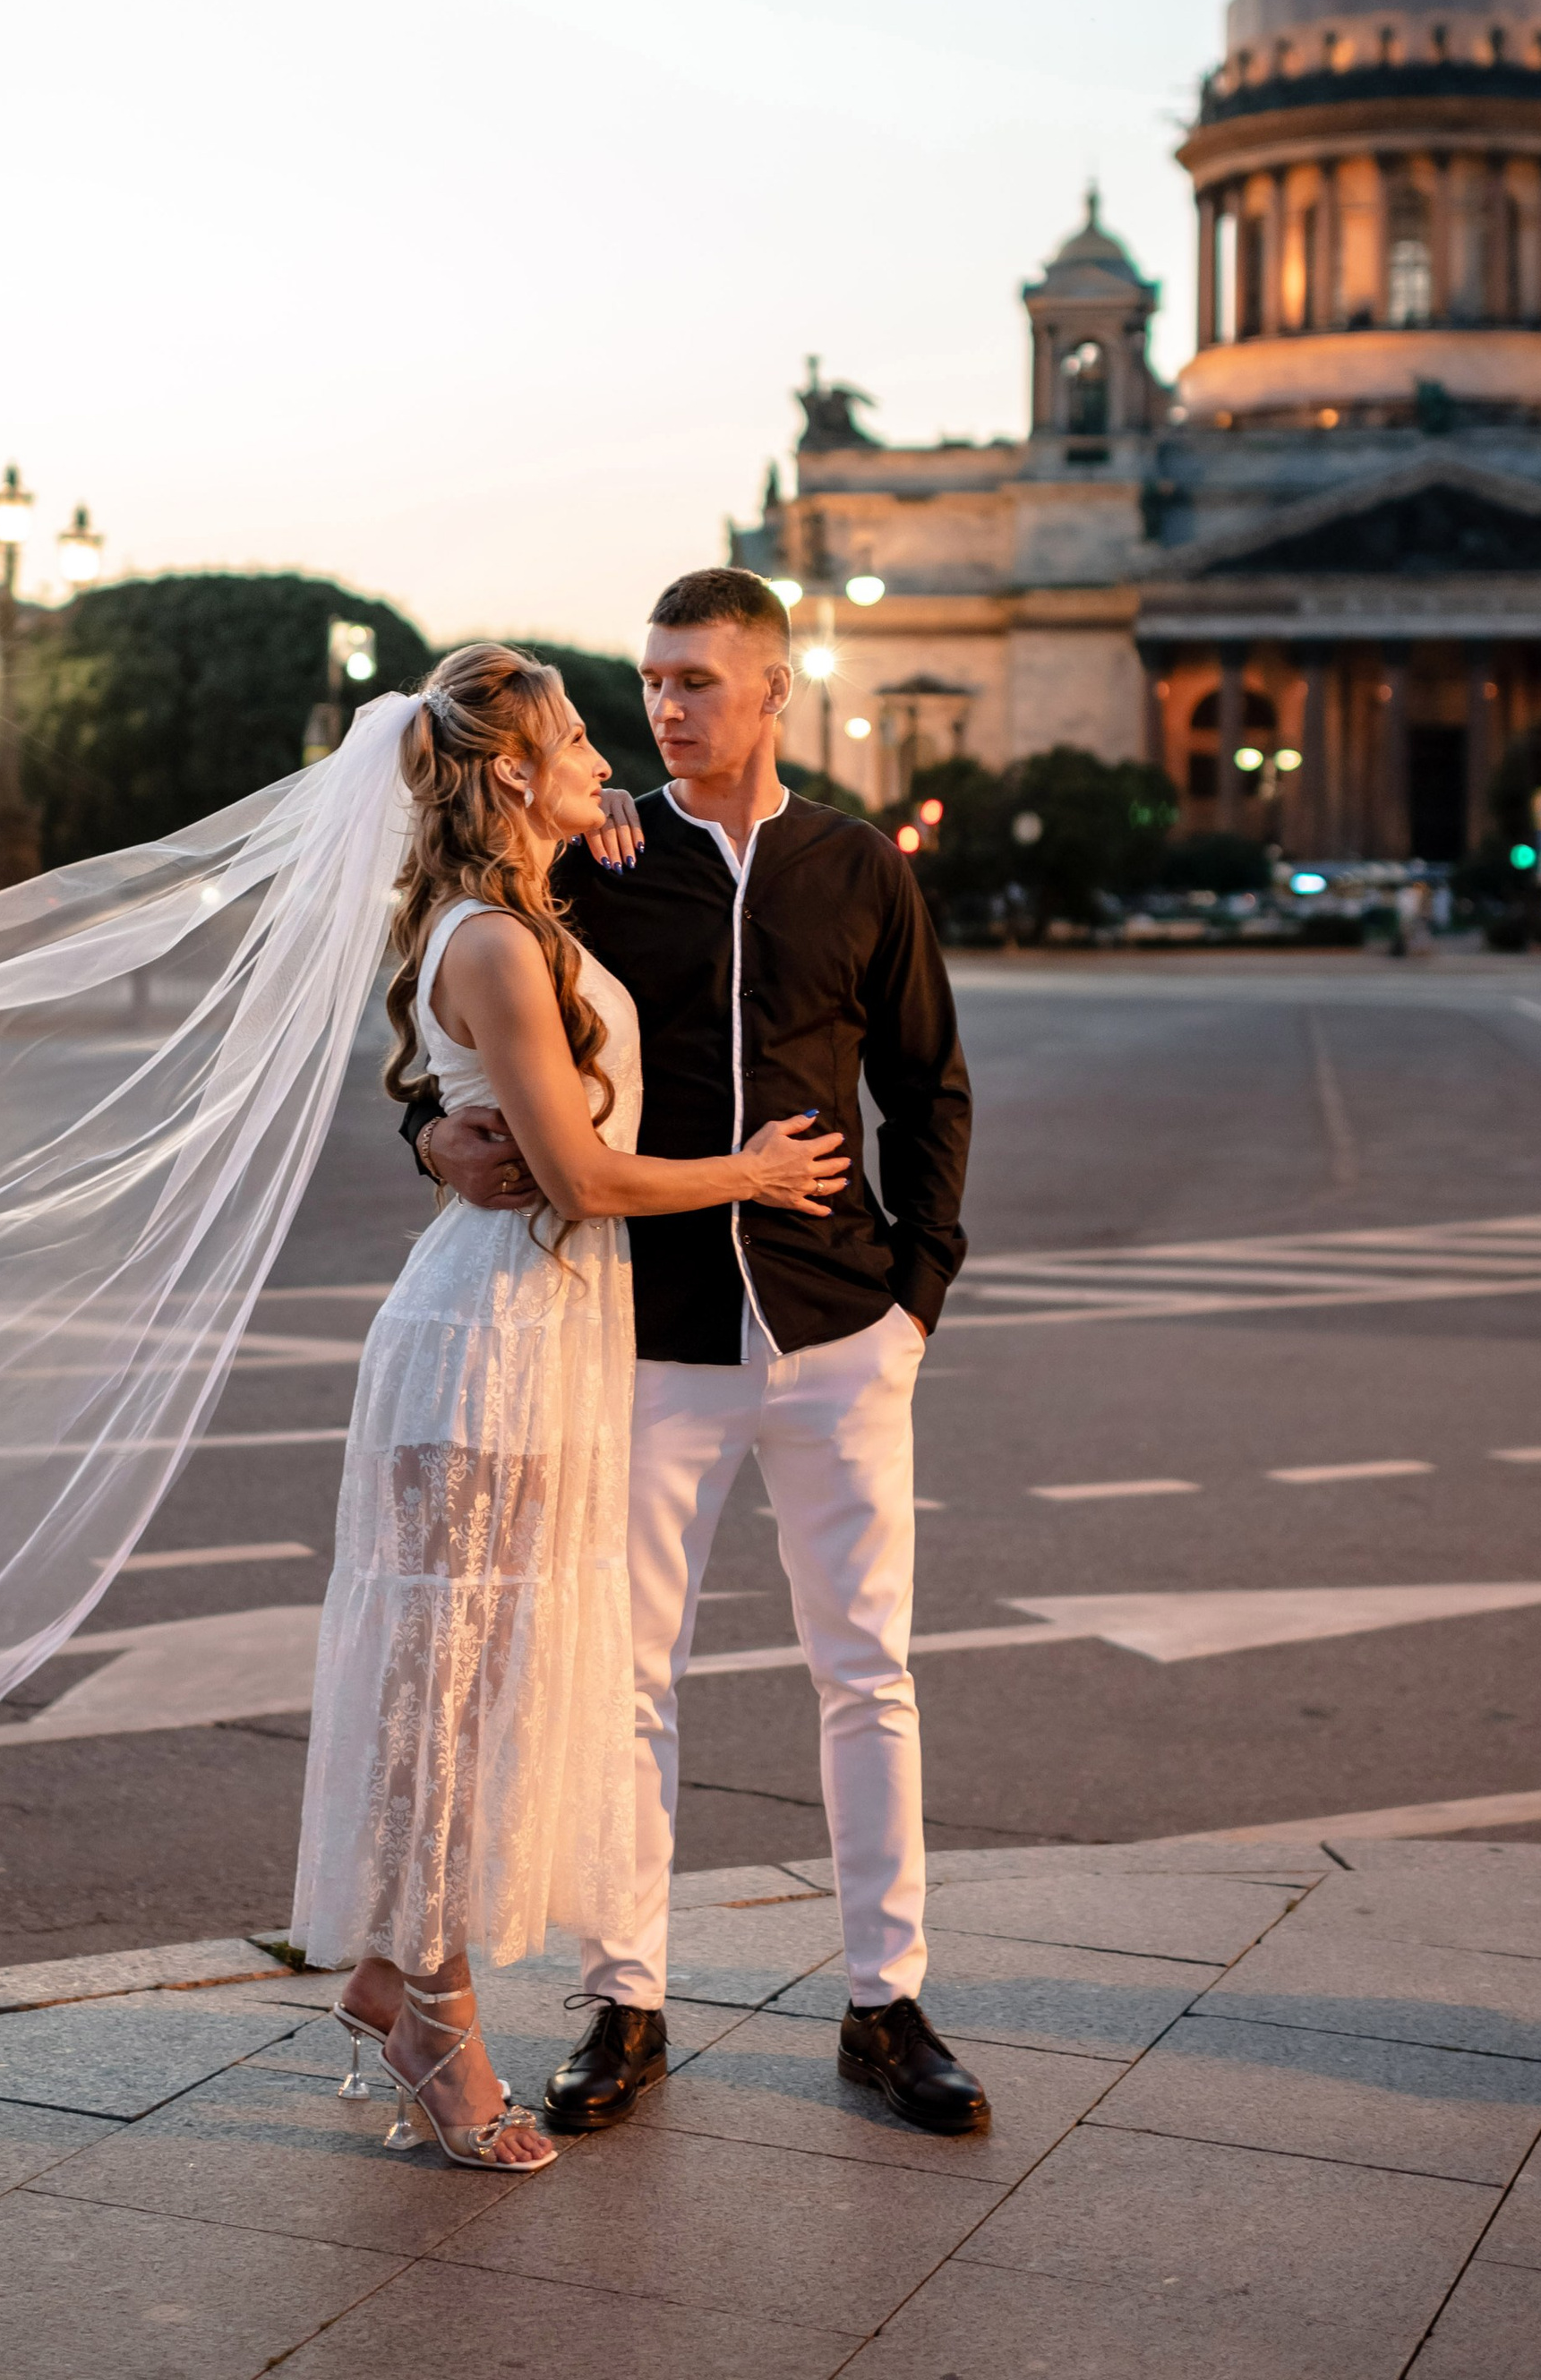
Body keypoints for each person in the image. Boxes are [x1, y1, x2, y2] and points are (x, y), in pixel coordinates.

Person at [407, 569, 988, 2138]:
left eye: (698, 682)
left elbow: (928, 1086)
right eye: (653, 680)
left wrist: (915, 1299)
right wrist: (428, 1139)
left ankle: (887, 2003)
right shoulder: (594, 862)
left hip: (838, 1326)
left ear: (775, 690)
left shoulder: (857, 866)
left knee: (867, 1670)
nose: (666, 708)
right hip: (648, 1331)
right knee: (627, 1683)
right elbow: (460, 1041)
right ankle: (628, 2002)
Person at [289, 640, 845, 2170]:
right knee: (446, 1698)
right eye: (582, 738)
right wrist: (752, 1174)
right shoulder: (490, 939)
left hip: (542, 1327)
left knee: (474, 1682)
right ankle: (438, 2025)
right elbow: (584, 1176)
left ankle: (390, 1974)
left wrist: (581, 826)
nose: (616, 753)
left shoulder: (525, 910)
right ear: (514, 771)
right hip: (487, 1340)